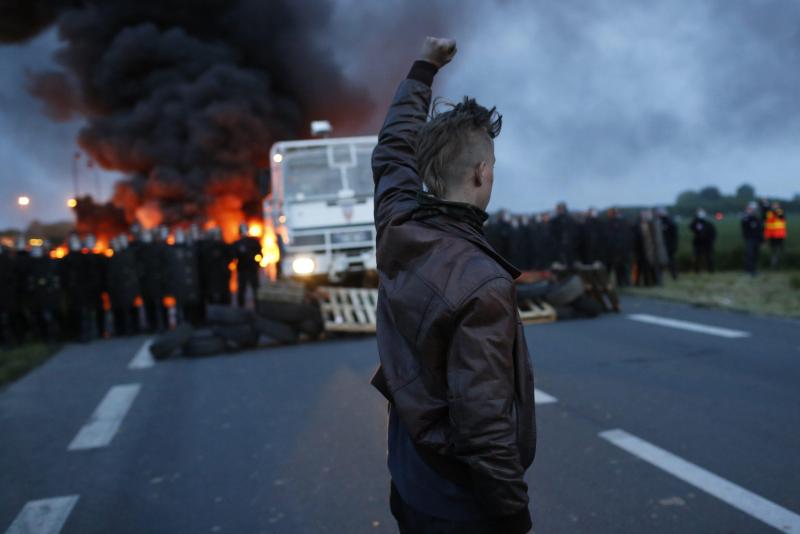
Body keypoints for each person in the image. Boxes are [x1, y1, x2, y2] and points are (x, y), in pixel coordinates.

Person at [370, 37, 535, 533]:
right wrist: (512, 514)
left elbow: (391, 153)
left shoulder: (397, 224)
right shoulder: (482, 283)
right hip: (459, 504)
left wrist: (423, 68)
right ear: (482, 173)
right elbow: (482, 422)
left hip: (409, 477)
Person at [233, 223, 261, 308]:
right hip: (242, 269)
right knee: (242, 290)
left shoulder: (254, 242)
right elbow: (234, 256)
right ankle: (241, 308)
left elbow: (260, 254)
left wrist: (257, 263)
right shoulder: (237, 243)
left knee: (255, 289)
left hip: (252, 269)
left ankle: (258, 307)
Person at [689, 208, 716, 273]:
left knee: (709, 257)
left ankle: (711, 270)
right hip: (698, 243)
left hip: (707, 243)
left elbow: (713, 232)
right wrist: (696, 218)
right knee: (697, 257)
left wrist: (711, 240)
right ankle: (697, 271)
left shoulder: (708, 223)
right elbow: (691, 226)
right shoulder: (696, 222)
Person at [763, 201, 787, 269]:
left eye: (776, 205)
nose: (774, 207)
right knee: (773, 251)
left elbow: (781, 216)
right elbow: (767, 224)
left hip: (780, 235)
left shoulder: (780, 211)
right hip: (772, 235)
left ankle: (781, 265)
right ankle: (774, 265)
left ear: (778, 206)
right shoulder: (769, 213)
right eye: (774, 205)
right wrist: (766, 236)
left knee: (780, 250)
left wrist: (776, 210)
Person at [741, 202, 763, 276]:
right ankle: (750, 271)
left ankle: (753, 269)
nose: (752, 210)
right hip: (750, 239)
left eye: (753, 209)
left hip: (757, 239)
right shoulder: (746, 218)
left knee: (755, 255)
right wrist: (748, 215)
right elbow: (744, 225)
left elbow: (759, 229)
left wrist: (761, 238)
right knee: (750, 254)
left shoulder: (756, 218)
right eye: (750, 209)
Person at [656, 207, 678, 280]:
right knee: (660, 262)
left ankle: (674, 276)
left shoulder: (669, 222)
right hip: (661, 245)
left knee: (671, 261)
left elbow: (674, 236)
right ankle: (659, 277)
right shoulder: (658, 221)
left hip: (669, 245)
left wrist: (673, 246)